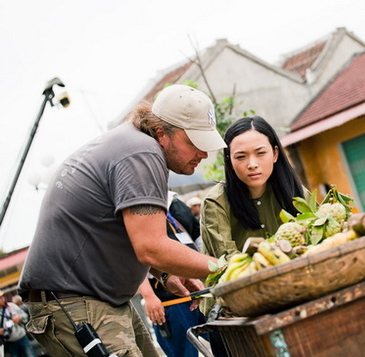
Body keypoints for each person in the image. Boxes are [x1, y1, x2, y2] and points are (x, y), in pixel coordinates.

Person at [18, 84, 226, 356]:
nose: (203, 153)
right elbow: (150, 246)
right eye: (194, 143)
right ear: (163, 133)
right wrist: (227, 268)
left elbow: (122, 231)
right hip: (74, 304)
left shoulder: (135, 145)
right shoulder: (142, 153)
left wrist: (164, 273)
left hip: (96, 299)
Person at [200, 115, 308, 355]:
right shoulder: (216, 202)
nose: (252, 164)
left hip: (293, 296)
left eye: (260, 153)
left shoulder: (297, 195)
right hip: (233, 311)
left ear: (275, 154)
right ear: (229, 160)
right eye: (241, 156)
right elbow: (230, 265)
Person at [138, 191, 209, 357]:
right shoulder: (138, 207)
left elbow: (196, 233)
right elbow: (134, 256)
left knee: (226, 345)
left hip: (197, 293)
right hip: (168, 301)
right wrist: (149, 297)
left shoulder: (173, 202)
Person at [0, 291, 35, 357]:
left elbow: (25, 316)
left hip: (22, 338)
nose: (2, 299)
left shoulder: (12, 306)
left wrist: (19, 318)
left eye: (2, 297)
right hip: (9, 342)